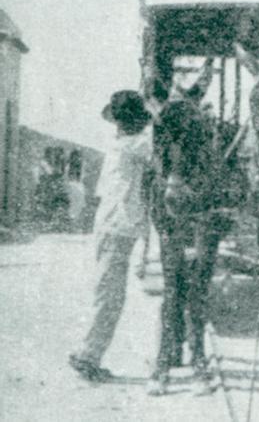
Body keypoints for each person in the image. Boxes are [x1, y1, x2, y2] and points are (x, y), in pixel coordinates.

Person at [68, 90, 155, 382]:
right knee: (109, 297)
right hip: (116, 228)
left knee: (110, 295)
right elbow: (157, 141)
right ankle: (86, 355)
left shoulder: (123, 142)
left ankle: (88, 354)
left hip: (114, 227)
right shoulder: (133, 145)